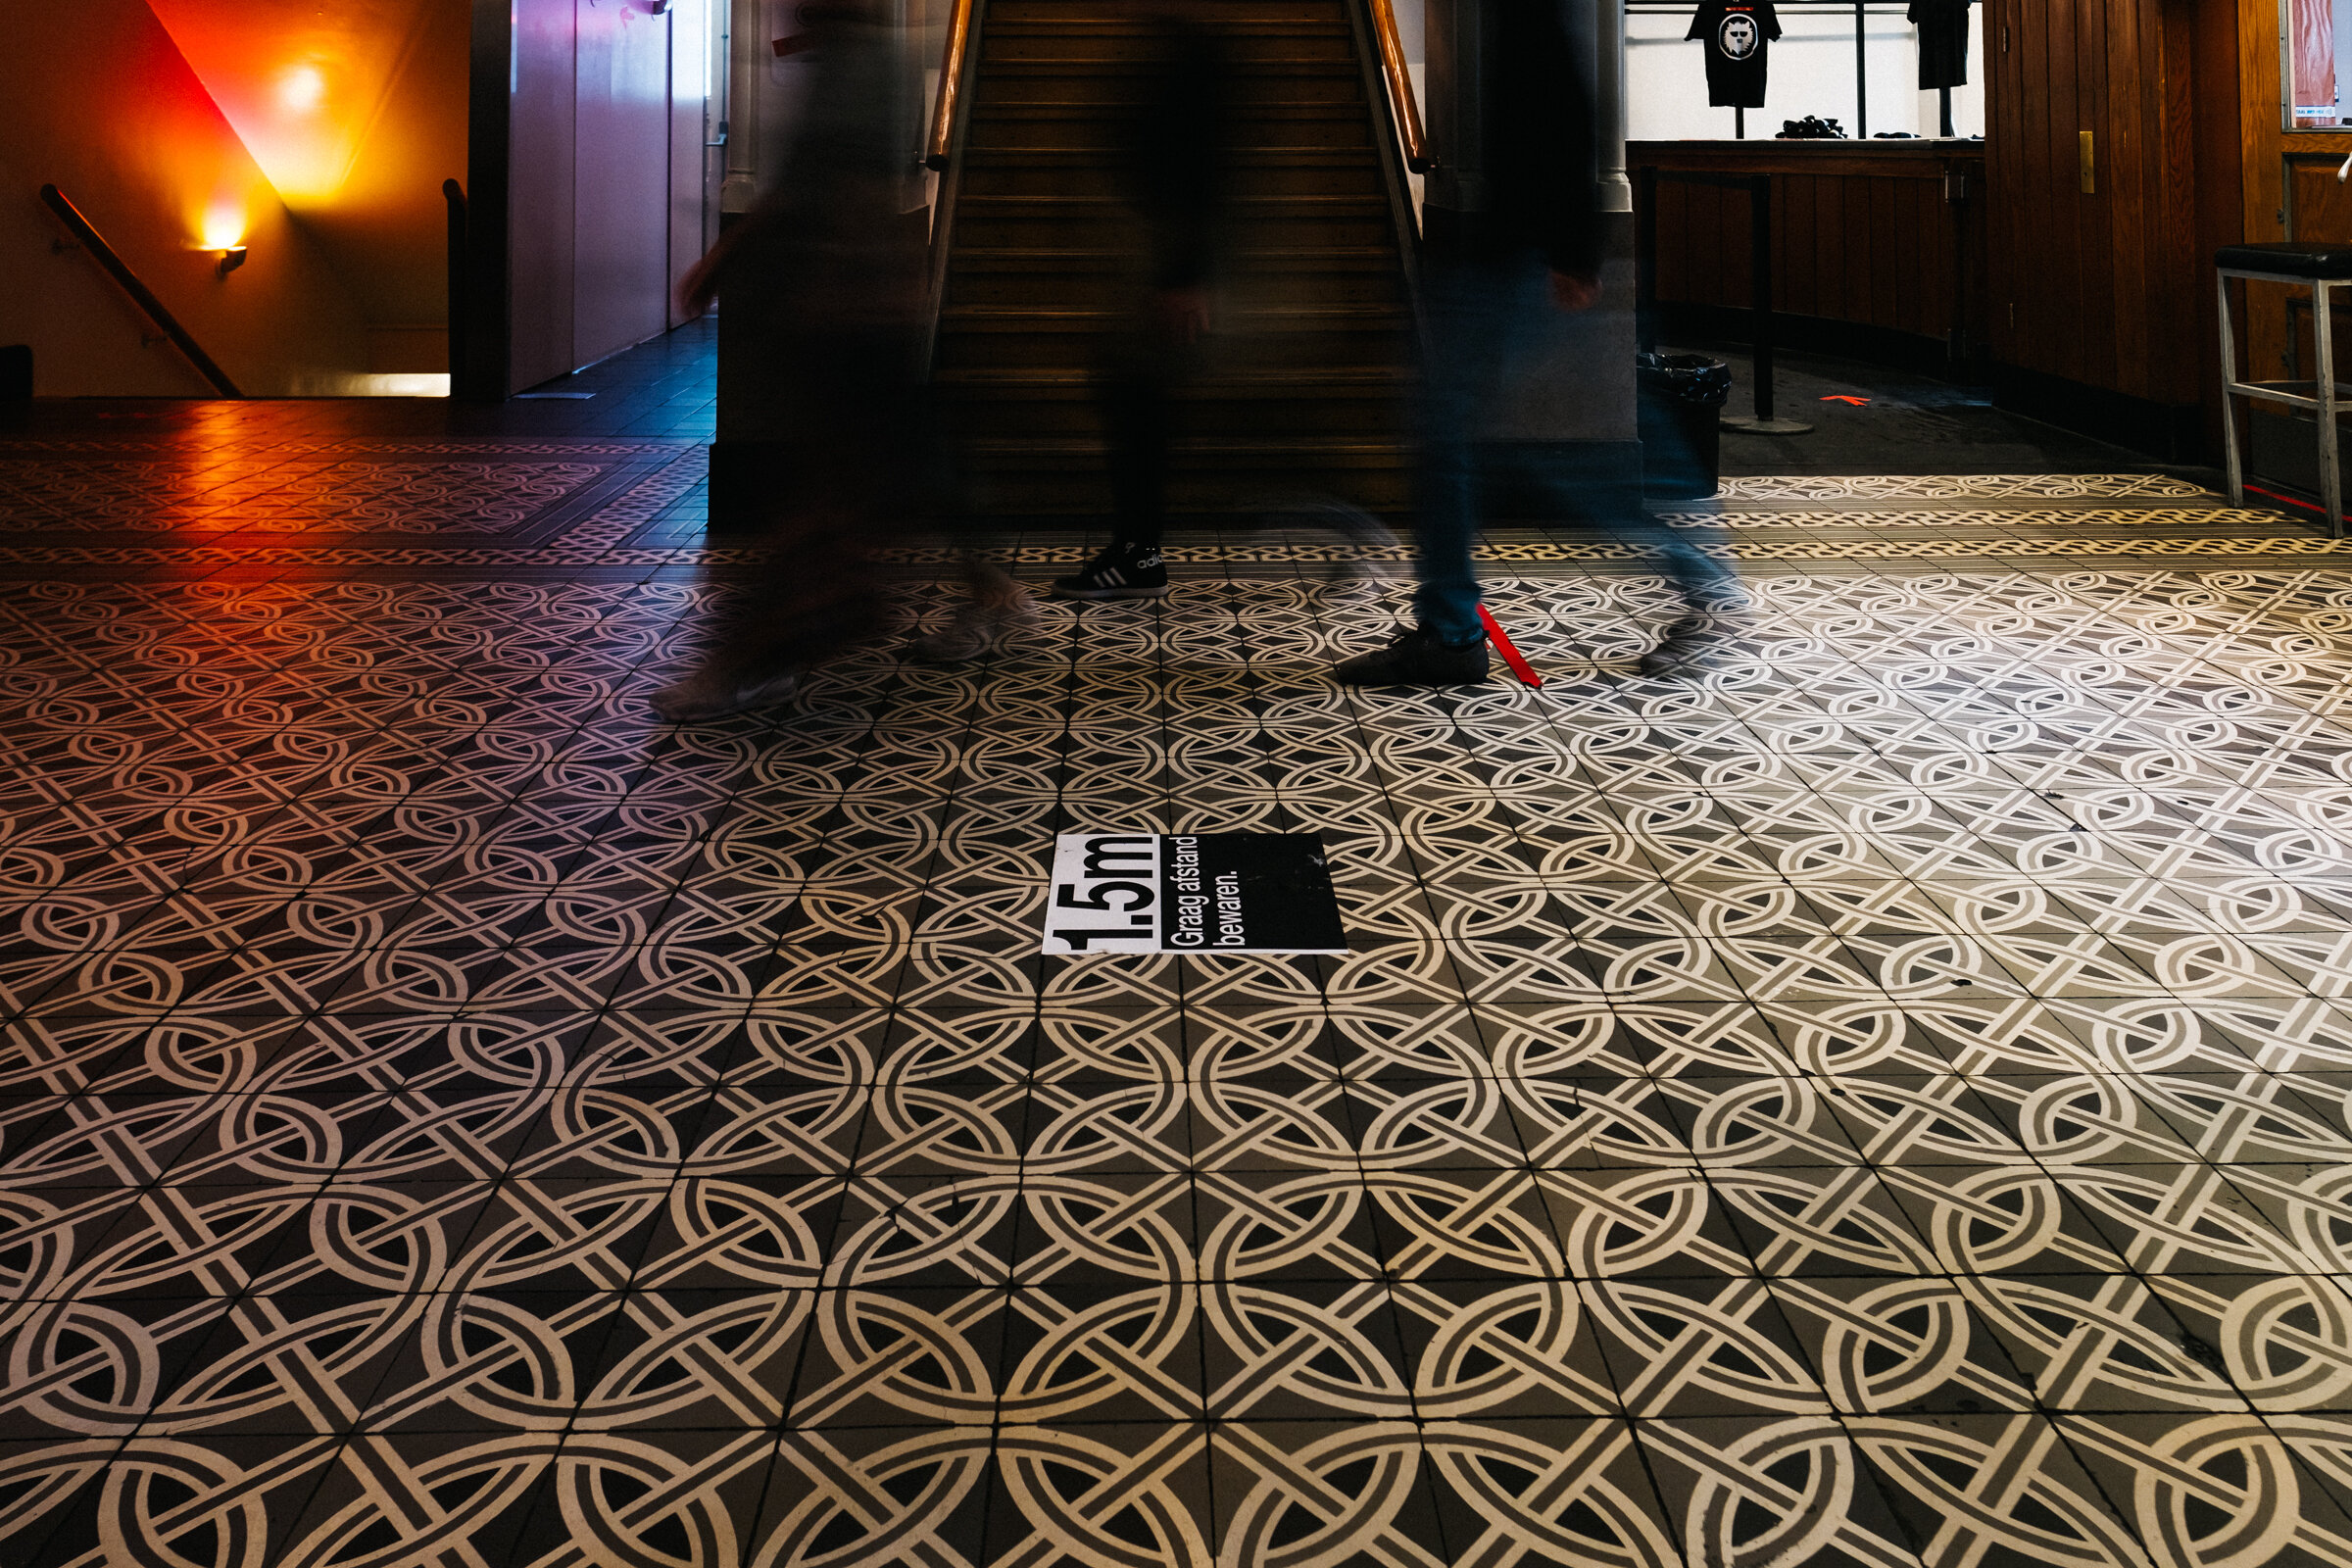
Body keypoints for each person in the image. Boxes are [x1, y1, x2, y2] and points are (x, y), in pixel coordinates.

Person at [1333, 0, 1740, 685]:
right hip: (1515, 250)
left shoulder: (1531, 14)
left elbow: (1569, 108)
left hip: (1521, 257)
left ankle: (1456, 629)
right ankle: (1457, 623)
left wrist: (1574, 252)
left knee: (1478, 444)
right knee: (1480, 445)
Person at [651, 0, 956, 722]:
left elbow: (819, 184)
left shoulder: (856, 64)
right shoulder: (864, 58)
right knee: (854, 487)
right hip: (859, 305)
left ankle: (764, 656)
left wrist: (726, 254)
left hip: (849, 307)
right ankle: (779, 649)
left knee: (823, 501)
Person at [1045, 8, 1233, 602]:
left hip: (1161, 263)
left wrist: (1184, 276)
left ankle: (1139, 553)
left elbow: (1201, 159)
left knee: (1136, 403)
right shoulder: (1177, 43)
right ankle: (1136, 549)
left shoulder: (1194, 50)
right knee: (1133, 402)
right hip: (1152, 257)